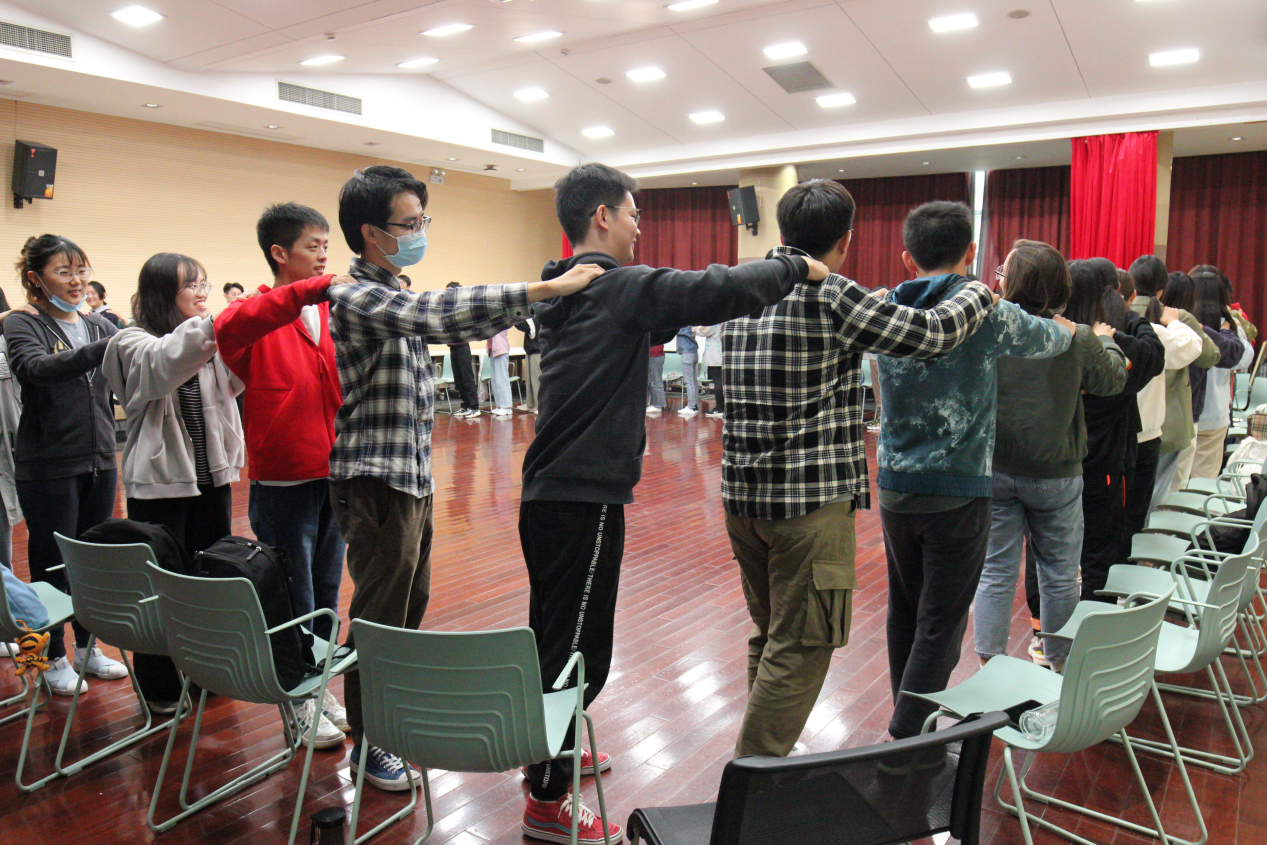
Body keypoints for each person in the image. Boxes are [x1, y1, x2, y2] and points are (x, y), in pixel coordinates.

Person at [518, 162, 829, 843]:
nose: (639, 227)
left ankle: (553, 751)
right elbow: (712, 289)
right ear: (602, 216)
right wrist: (793, 266)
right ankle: (545, 799)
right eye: (633, 214)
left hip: (548, 494)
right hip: (581, 495)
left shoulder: (563, 286)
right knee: (578, 653)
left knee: (554, 636)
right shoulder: (616, 287)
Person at [325, 165, 602, 793]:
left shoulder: (393, 292)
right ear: (370, 232)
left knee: (408, 606)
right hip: (374, 479)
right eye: (409, 223)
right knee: (381, 617)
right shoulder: (356, 296)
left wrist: (542, 303)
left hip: (408, 478)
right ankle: (369, 743)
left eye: (422, 220)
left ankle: (389, 720)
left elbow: (458, 321)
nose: (419, 231)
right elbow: (435, 312)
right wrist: (542, 288)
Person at [722, 179, 995, 759]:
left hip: (742, 501)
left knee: (772, 635)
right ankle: (755, 780)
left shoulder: (743, 287)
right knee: (802, 642)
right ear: (846, 239)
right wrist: (976, 291)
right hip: (806, 505)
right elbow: (934, 334)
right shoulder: (832, 294)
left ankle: (763, 756)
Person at [875, 201, 1072, 740]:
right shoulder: (987, 313)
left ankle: (908, 723)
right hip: (958, 492)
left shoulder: (884, 309)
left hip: (895, 487)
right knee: (941, 624)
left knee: (905, 609)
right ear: (971, 251)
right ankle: (907, 736)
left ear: (908, 258)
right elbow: (1052, 339)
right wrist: (1071, 327)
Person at [214, 202, 349, 748]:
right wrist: (310, 291)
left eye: (326, 246)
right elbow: (230, 330)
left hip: (335, 472)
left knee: (327, 591)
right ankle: (295, 696)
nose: (323, 256)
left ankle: (319, 683)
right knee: (291, 594)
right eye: (313, 246)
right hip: (283, 477)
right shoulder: (250, 312)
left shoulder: (331, 313)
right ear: (279, 252)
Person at [973, 242, 1126, 671]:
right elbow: (1112, 382)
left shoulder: (988, 328)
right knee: (1060, 574)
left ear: (1011, 282)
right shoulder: (1075, 335)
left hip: (994, 467)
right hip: (1056, 472)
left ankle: (990, 667)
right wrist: (1107, 342)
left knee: (995, 571)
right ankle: (1059, 665)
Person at [104, 254, 247, 712]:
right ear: (162, 293)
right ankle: (160, 686)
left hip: (211, 481)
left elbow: (236, 384)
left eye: (204, 284)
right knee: (162, 586)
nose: (202, 293)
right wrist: (219, 325)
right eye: (191, 285)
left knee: (209, 581)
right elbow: (166, 363)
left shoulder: (204, 339)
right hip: (160, 486)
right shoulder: (131, 341)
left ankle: (207, 671)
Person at [5, 235, 127, 695]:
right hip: (48, 463)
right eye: (63, 272)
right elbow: (35, 368)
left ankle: (85, 648)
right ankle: (50, 654)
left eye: (81, 271)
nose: (76, 281)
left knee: (92, 561)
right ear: (35, 278)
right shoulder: (24, 323)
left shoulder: (98, 324)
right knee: (52, 564)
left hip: (101, 459)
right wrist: (107, 347)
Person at [1069, 258, 1164, 601]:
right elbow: (1154, 353)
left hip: (1056, 464)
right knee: (1100, 551)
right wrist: (1128, 313)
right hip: (1104, 464)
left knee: (1048, 554)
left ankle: (1041, 625)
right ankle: (1095, 619)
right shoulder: (1116, 342)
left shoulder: (1050, 335)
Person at [1127, 256, 1218, 512]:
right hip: (1167, 422)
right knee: (1162, 501)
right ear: (1161, 288)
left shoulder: (1115, 312)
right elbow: (1209, 355)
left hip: (1124, 422)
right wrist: (1182, 322)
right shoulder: (1175, 318)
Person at [1159, 271, 1242, 492]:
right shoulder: (1198, 329)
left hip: (1161, 416)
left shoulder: (1151, 322)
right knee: (1186, 485)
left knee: (1160, 485)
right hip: (1195, 416)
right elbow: (1233, 355)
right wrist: (1225, 332)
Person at [1191, 268, 1252, 478]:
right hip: (1214, 413)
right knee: (1203, 481)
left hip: (1182, 412)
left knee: (1175, 481)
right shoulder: (1228, 326)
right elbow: (1244, 359)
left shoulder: (1182, 323)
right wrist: (1229, 330)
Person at [444, 282, 482, 418]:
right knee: (459, 380)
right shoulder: (449, 309)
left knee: (467, 379)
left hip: (463, 347)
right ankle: (465, 405)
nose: (446, 294)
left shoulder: (463, 308)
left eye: (449, 291)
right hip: (453, 347)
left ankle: (474, 407)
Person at [694, 323, 724, 418]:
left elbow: (704, 330)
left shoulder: (715, 320)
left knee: (718, 382)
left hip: (716, 357)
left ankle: (720, 408)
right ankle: (722, 407)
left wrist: (693, 328)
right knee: (721, 382)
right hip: (722, 355)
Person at [514, 315, 541, 413]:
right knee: (529, 381)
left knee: (536, 381)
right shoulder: (532, 318)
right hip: (530, 351)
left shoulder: (535, 318)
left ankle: (540, 406)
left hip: (537, 352)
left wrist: (514, 319)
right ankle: (531, 404)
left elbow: (524, 326)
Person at [488, 328, 513, 416]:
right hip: (492, 350)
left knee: (502, 379)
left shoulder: (499, 322)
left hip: (501, 350)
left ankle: (506, 407)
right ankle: (499, 405)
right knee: (495, 380)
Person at [675, 325, 699, 416]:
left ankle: (691, 406)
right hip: (693, 352)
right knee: (693, 381)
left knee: (689, 382)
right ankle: (694, 405)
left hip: (687, 353)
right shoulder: (692, 324)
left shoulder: (683, 327)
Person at [646, 343, 666, 415]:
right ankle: (654, 403)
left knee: (655, 381)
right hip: (654, 354)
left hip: (654, 354)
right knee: (652, 381)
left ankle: (658, 405)